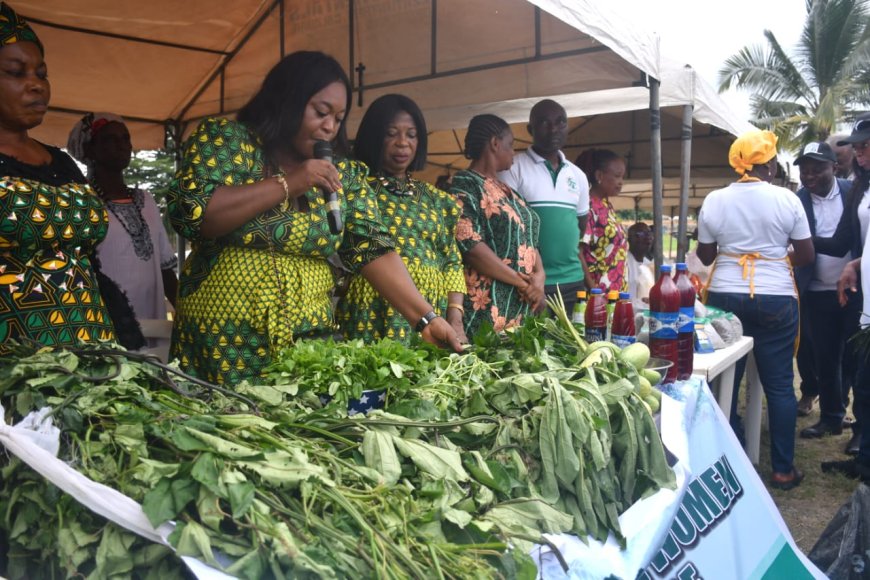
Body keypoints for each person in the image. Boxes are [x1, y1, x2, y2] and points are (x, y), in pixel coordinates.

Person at [166, 51, 461, 386]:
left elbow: (373, 248)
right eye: (321, 112)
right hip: (222, 340)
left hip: (307, 344)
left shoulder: (343, 172)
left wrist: (426, 319)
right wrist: (290, 183)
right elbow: (195, 213)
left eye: (338, 118)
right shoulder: (229, 141)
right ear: (287, 100)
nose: (330, 127)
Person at [0, 3, 142, 353]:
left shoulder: (61, 162)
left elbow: (89, 260)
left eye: (42, 73)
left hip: (91, 346)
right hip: (17, 358)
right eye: (17, 73)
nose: (36, 85)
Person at [697, 129, 814, 490]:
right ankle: (782, 470)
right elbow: (806, 255)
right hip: (776, 296)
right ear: (771, 165)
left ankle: (729, 461)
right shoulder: (787, 199)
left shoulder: (715, 200)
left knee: (724, 382)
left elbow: (705, 255)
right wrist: (773, 257)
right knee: (779, 385)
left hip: (725, 296)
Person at [336, 94, 467, 343]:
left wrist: (455, 317)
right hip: (372, 311)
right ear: (374, 136)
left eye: (411, 135)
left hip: (432, 313)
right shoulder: (356, 186)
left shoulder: (436, 199)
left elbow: (451, 259)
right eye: (391, 133)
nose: (402, 143)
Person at [67, 112, 179, 347]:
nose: (121, 145)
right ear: (89, 149)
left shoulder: (146, 200)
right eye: (109, 139)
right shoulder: (80, 202)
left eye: (125, 138)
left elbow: (165, 268)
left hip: (154, 326)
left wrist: (186, 311)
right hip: (105, 325)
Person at [450, 114, 545, 338]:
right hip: (488, 309)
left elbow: (528, 237)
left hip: (520, 308)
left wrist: (540, 276)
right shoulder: (465, 184)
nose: (513, 152)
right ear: (495, 143)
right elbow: (470, 246)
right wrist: (521, 283)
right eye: (510, 145)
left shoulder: (508, 190)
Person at [792, 141, 858, 440]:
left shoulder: (853, 191)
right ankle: (831, 417)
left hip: (856, 288)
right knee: (825, 357)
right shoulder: (797, 200)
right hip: (816, 291)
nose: (809, 175)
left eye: (817, 168)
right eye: (804, 170)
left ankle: (859, 425)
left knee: (856, 357)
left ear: (834, 166)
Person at [813, 113, 870, 456]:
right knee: (861, 367)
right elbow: (840, 242)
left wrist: (857, 262)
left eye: (866, 146)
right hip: (862, 289)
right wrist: (801, 240)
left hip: (861, 277)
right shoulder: (861, 190)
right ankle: (861, 439)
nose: (860, 154)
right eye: (857, 147)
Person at [498, 99, 589, 314]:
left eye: (561, 122)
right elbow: (506, 228)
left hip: (573, 282)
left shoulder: (578, 175)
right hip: (532, 285)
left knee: (576, 344)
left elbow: (579, 227)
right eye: (545, 123)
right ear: (531, 129)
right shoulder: (513, 168)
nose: (554, 129)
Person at [576, 148, 628, 292]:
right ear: (599, 175)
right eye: (617, 176)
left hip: (614, 292)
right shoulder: (588, 206)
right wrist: (593, 290)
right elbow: (577, 251)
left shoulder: (606, 205)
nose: (621, 182)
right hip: (597, 294)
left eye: (622, 177)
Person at [625, 222, 655, 311]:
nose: (648, 237)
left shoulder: (649, 265)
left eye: (649, 233)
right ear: (630, 239)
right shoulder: (624, 263)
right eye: (641, 233)